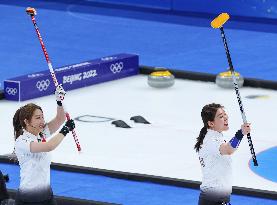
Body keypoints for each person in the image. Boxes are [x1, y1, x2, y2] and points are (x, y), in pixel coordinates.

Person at [13, 85, 75, 205]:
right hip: (28, 200)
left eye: (42, 117)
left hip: (47, 196)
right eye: (37, 118)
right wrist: (65, 130)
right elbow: (49, 146)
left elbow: (60, 119)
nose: (42, 121)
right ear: (26, 121)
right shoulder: (22, 142)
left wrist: (59, 102)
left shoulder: (41, 134)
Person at [194, 103, 251, 205]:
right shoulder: (211, 140)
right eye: (221, 116)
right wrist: (240, 133)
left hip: (218, 199)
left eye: (225, 114)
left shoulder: (216, 136)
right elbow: (228, 149)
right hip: (213, 200)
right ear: (211, 123)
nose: (225, 118)